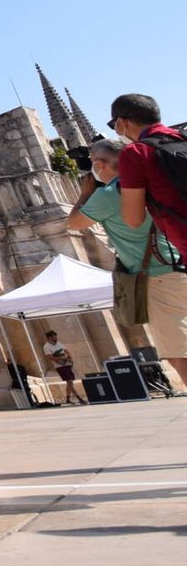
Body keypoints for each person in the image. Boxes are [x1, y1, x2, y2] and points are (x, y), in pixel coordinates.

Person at [70, 137, 187, 383]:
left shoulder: (112, 194)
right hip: (178, 264)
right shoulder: (151, 180)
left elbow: (74, 223)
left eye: (93, 162)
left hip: (159, 277)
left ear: (100, 165)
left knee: (179, 354)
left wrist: (85, 194)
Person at [111, 94, 187, 257]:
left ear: (122, 122)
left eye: (114, 125)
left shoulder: (136, 152)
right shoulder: (183, 137)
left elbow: (134, 219)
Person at [40, 331, 86, 405]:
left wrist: (70, 357)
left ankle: (77, 398)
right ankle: (69, 398)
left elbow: (66, 351)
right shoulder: (46, 346)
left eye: (56, 336)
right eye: (54, 337)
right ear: (49, 338)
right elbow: (49, 357)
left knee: (70, 382)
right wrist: (60, 358)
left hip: (67, 364)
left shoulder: (58, 343)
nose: (56, 338)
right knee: (70, 381)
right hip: (59, 366)